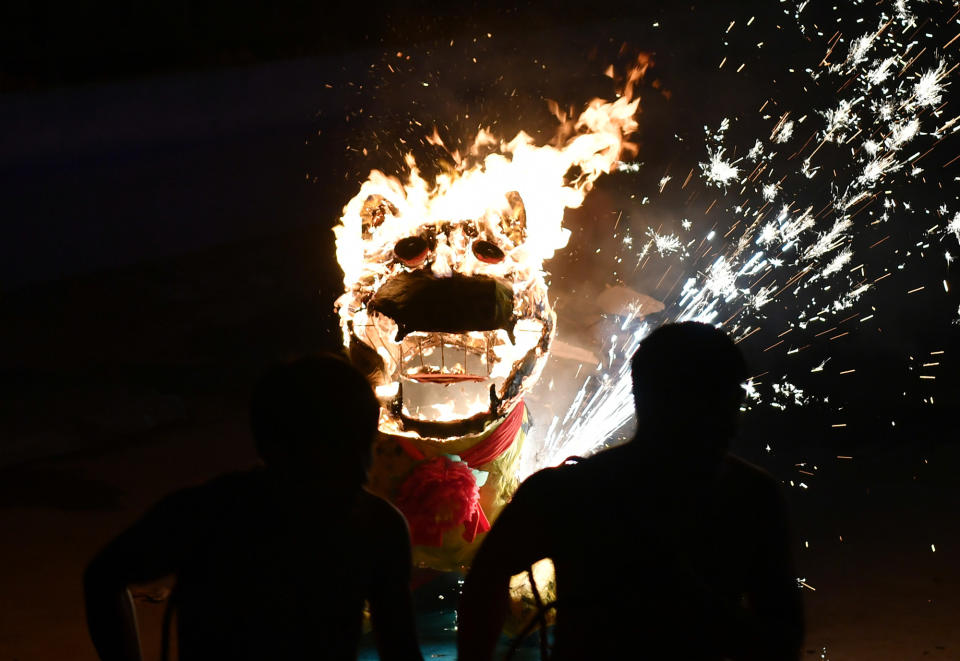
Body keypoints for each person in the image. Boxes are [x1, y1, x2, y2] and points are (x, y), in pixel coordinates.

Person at [457, 321, 804, 661]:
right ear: (659, 400)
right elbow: (781, 637)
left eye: (732, 397)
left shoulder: (569, 491)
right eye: (712, 399)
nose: (729, 417)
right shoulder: (753, 497)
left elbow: (486, 576)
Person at [84, 354, 423, 661]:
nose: (361, 469)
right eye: (338, 451)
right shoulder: (378, 528)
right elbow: (401, 648)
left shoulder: (206, 511)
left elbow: (103, 575)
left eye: (362, 447)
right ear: (278, 449)